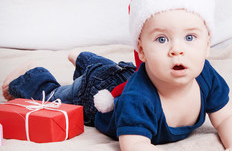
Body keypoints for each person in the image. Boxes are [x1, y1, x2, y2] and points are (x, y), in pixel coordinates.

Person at [2, 0, 232, 151]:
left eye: (190, 38)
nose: (177, 50)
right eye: (161, 39)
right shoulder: (139, 98)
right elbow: (134, 147)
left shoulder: (205, 76)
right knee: (65, 94)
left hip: (124, 75)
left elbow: (226, 117)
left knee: (113, 72)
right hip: (99, 98)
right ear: (142, 51)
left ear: (207, 46)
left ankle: (86, 61)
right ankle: (32, 78)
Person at [1, 52, 136, 126]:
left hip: (124, 72)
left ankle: (82, 58)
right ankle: (33, 74)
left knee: (112, 70)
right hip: (97, 91)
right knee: (51, 99)